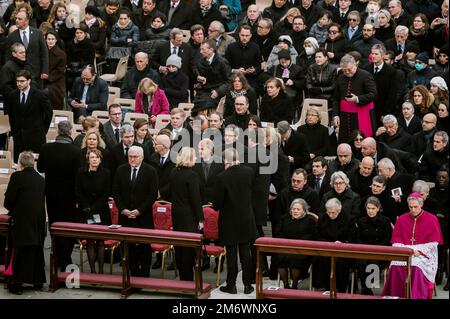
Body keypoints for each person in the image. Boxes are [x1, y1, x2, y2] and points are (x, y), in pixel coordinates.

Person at [37, 120, 82, 271]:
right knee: (68, 227)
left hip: (51, 193)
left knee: (53, 225)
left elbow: (41, 167)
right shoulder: (76, 151)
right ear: (70, 132)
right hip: (69, 196)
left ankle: (55, 255)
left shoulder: (46, 148)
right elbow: (78, 175)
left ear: (57, 131)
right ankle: (65, 259)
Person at [383, 193, 444, 299]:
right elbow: (396, 241)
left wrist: (418, 252)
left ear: (421, 205)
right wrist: (407, 251)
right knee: (395, 267)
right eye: (410, 207)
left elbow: (433, 244)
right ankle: (396, 296)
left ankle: (415, 296)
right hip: (404, 252)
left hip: (423, 255)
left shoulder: (432, 219)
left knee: (415, 268)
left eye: (415, 207)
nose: (413, 209)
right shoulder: (401, 219)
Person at [213, 148, 256, 295]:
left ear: (225, 161)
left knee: (231, 254)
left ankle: (231, 285)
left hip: (229, 220)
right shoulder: (249, 172)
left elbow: (217, 204)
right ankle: (248, 285)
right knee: (246, 253)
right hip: (246, 218)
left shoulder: (221, 177)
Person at [4, 151, 46, 295]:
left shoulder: (17, 177)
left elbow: (8, 200)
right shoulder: (41, 179)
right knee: (36, 250)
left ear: (20, 164)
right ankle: (37, 281)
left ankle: (16, 282)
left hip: (22, 220)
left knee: (20, 251)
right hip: (39, 220)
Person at [112, 145, 159, 277]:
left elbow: (152, 194)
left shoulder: (150, 171)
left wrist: (139, 210)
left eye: (135, 157)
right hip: (125, 216)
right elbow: (116, 192)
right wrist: (123, 209)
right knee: (128, 247)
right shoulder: (121, 170)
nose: (132, 159)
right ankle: (132, 273)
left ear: (142, 157)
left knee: (144, 247)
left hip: (143, 216)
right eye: (130, 157)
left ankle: (144, 274)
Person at [167, 147, 203, 280]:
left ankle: (183, 277)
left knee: (179, 246)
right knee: (188, 246)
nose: (196, 159)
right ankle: (188, 279)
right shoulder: (192, 175)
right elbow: (196, 199)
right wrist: (200, 219)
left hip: (176, 213)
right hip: (189, 216)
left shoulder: (174, 172)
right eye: (194, 157)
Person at [75, 149, 111, 274]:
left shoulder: (106, 173)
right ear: (88, 159)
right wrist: (87, 207)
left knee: (100, 242)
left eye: (97, 157)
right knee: (90, 241)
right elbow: (78, 191)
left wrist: (94, 207)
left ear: (100, 160)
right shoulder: (81, 173)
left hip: (101, 211)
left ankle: (101, 270)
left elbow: (106, 193)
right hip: (86, 211)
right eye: (92, 157)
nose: (94, 159)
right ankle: (93, 270)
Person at [5, 69, 52, 162]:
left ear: (29, 81)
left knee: (35, 164)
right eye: (17, 81)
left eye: (22, 81)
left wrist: (43, 130)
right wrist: (14, 132)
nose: (19, 84)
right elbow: (11, 116)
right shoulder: (13, 95)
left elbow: (49, 113)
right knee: (19, 163)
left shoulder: (39, 95)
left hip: (36, 136)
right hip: (19, 137)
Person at [332, 54, 377, 143]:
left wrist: (357, 99)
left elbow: (373, 94)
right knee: (345, 141)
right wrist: (335, 114)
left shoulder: (365, 75)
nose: (347, 72)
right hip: (345, 116)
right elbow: (336, 98)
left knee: (362, 141)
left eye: (349, 69)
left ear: (355, 65)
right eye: (344, 70)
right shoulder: (340, 78)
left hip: (361, 113)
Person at [353, 196, 392, 295]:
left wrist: (375, 248)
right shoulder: (361, 221)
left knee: (373, 263)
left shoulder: (385, 221)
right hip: (364, 250)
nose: (370, 211)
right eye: (368, 208)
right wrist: (365, 248)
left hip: (380, 251)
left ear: (378, 208)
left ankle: (368, 288)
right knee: (361, 263)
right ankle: (366, 290)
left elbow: (387, 239)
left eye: (373, 208)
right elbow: (358, 238)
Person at [273, 198, 316, 289]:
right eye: (293, 209)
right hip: (285, 247)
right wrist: (287, 242)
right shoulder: (284, 218)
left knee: (295, 259)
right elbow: (277, 232)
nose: (295, 211)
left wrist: (297, 243)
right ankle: (285, 284)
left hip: (302, 249)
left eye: (298, 209)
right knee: (278, 257)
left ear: (304, 210)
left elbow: (312, 235)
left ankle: (295, 284)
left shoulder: (310, 220)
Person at [312, 197, 352, 292]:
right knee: (321, 260)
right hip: (325, 247)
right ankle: (323, 286)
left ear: (339, 210)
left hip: (342, 250)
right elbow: (317, 234)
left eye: (333, 213)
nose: (330, 215)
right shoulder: (322, 218)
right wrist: (327, 244)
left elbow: (351, 237)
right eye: (328, 212)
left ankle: (339, 288)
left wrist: (342, 243)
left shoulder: (348, 219)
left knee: (339, 263)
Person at [6, 10, 49, 89]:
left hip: (37, 74)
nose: (16, 20)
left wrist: (44, 70)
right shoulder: (12, 36)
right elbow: (8, 56)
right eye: (16, 18)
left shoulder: (38, 33)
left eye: (19, 19)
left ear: (26, 21)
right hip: (20, 76)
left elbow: (44, 53)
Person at [45, 30, 66, 110]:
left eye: (52, 39)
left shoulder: (61, 54)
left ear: (56, 40)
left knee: (50, 92)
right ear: (45, 39)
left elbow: (60, 70)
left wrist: (48, 77)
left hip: (56, 81)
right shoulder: (42, 52)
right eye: (48, 39)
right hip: (42, 78)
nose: (50, 41)